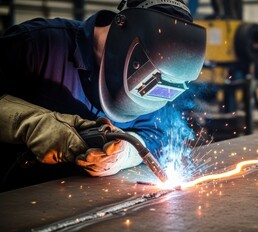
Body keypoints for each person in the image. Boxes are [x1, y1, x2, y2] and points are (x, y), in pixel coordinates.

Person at [0, 0, 206, 191]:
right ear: (125, 31)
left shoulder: (164, 74)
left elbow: (157, 135)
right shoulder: (38, 44)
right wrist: (29, 124)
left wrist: (124, 154)